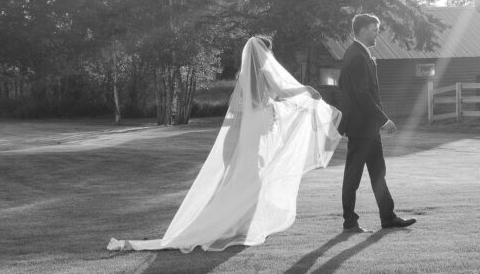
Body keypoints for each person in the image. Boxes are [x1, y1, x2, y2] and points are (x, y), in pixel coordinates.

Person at [108, 36, 342, 253]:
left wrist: (263, 113)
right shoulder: (264, 71)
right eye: (268, 52)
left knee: (244, 181)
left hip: (245, 138)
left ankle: (239, 226)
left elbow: (237, 108)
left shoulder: (244, 77)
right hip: (252, 140)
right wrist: (306, 89)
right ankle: (239, 227)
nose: (270, 57)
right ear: (263, 53)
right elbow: (281, 92)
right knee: (253, 181)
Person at [337, 13, 416, 233]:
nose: (377, 34)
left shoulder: (359, 54)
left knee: (378, 172)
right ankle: (350, 222)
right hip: (361, 128)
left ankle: (388, 217)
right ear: (362, 30)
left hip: (367, 127)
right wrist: (383, 119)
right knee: (353, 175)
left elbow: (344, 84)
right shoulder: (357, 56)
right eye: (374, 29)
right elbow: (362, 94)